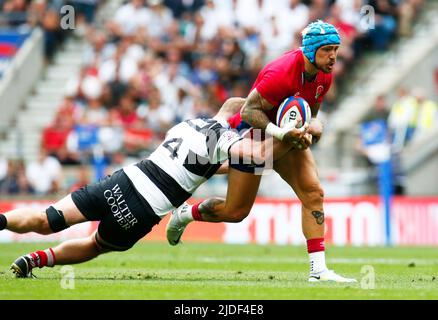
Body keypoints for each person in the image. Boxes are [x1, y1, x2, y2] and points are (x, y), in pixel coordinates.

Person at [0, 98, 305, 278]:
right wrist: (286, 135)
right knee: (96, 244)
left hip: (121, 182)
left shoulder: (189, 124)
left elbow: (223, 133)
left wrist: (256, 105)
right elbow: (255, 156)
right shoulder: (222, 140)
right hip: (142, 209)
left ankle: (3, 221)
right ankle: (36, 259)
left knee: (47, 218)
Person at [166, 20, 357, 283]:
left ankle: (318, 271)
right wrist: (282, 133)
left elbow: (308, 115)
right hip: (254, 134)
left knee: (314, 192)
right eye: (327, 49)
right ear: (311, 50)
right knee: (236, 212)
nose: (333, 56)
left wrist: (310, 130)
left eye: (336, 49)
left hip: (284, 135)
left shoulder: (324, 74)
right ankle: (187, 213)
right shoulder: (282, 71)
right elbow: (248, 111)